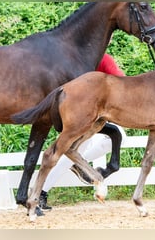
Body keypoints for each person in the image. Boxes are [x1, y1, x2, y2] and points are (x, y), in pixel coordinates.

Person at [39, 53, 126, 211]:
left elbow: (120, 81)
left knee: (117, 136)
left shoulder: (87, 58)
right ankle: (42, 191)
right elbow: (123, 82)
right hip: (82, 116)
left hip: (91, 115)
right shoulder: (100, 58)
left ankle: (78, 164)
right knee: (71, 150)